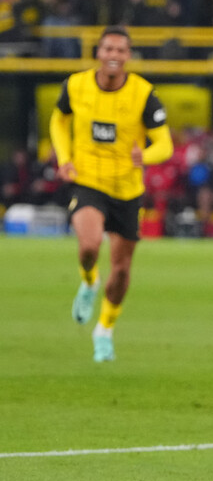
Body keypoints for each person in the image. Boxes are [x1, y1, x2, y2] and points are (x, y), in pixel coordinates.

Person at [49, 25, 173, 363]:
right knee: (89, 246)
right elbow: (58, 120)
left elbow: (165, 143)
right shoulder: (76, 85)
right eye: (108, 49)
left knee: (121, 270)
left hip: (127, 189)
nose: (114, 56)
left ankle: (104, 330)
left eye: (121, 50)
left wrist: (143, 156)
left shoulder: (144, 94)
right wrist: (64, 158)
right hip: (88, 181)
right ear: (98, 53)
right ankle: (89, 282)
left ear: (128, 56)